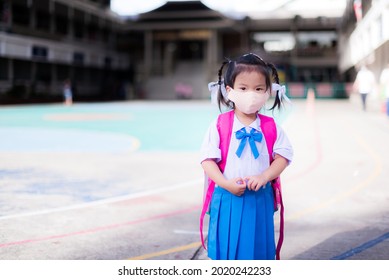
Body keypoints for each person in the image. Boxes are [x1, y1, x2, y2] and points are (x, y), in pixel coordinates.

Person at [200, 53, 293, 260]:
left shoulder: (271, 126)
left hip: (260, 198)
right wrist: (225, 183)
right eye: (243, 88)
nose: (251, 94)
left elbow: (283, 156)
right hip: (227, 196)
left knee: (258, 248)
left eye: (258, 89)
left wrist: (264, 177)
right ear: (229, 90)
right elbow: (207, 160)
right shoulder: (220, 124)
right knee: (226, 248)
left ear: (267, 92)